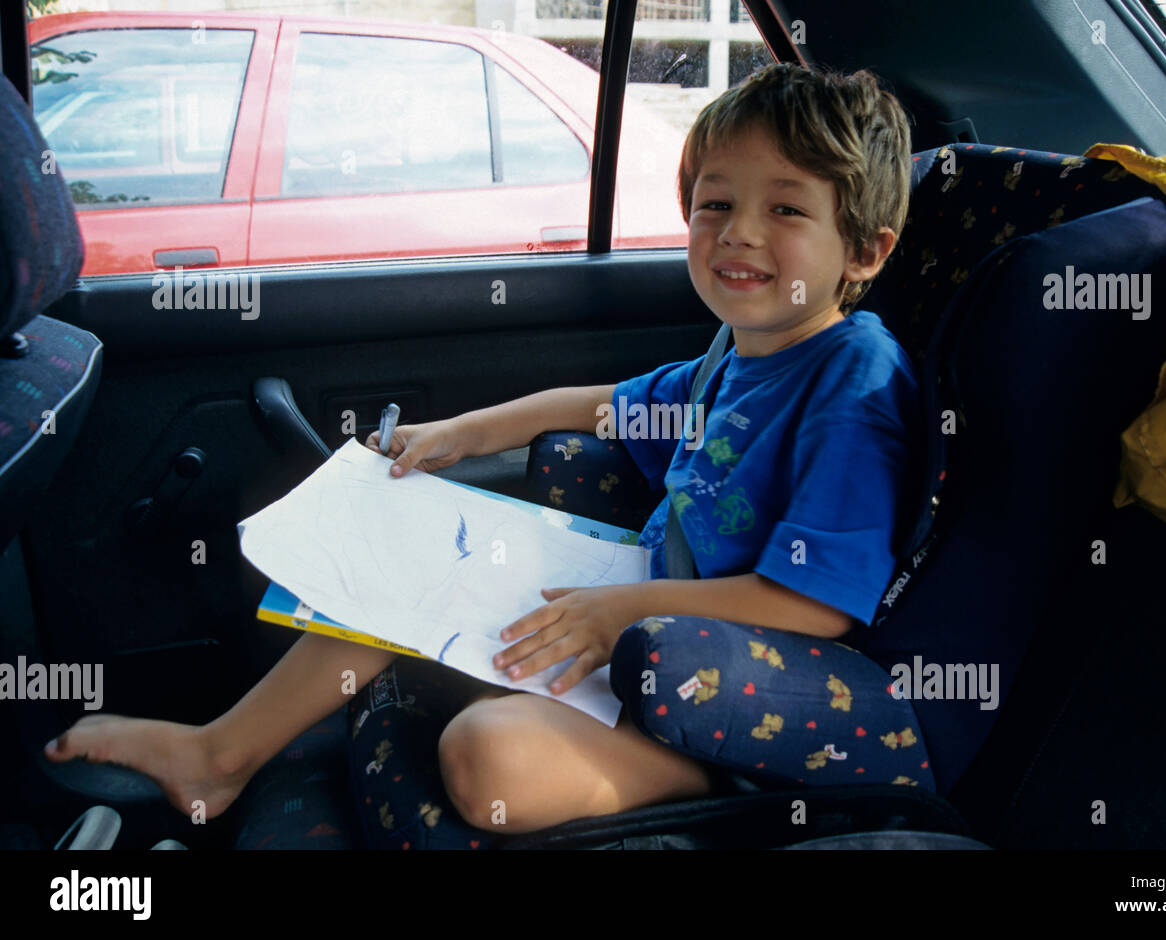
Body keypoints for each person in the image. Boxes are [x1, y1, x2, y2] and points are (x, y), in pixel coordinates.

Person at [43, 62, 935, 848]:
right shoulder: (735, 354)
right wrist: (456, 437)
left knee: (486, 756)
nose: (738, 231)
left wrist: (620, 610)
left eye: (784, 208)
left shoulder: (852, 383)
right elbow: (601, 407)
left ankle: (704, 793)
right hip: (640, 634)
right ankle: (218, 754)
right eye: (715, 203)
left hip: (724, 699)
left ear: (864, 249)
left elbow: (816, 604)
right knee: (404, 554)